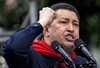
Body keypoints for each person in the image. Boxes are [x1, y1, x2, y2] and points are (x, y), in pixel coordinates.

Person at [2, 2, 97, 68]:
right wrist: (41, 23)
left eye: (75, 24)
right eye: (64, 22)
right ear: (46, 30)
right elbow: (13, 48)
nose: (71, 29)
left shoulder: (83, 63)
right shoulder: (31, 57)